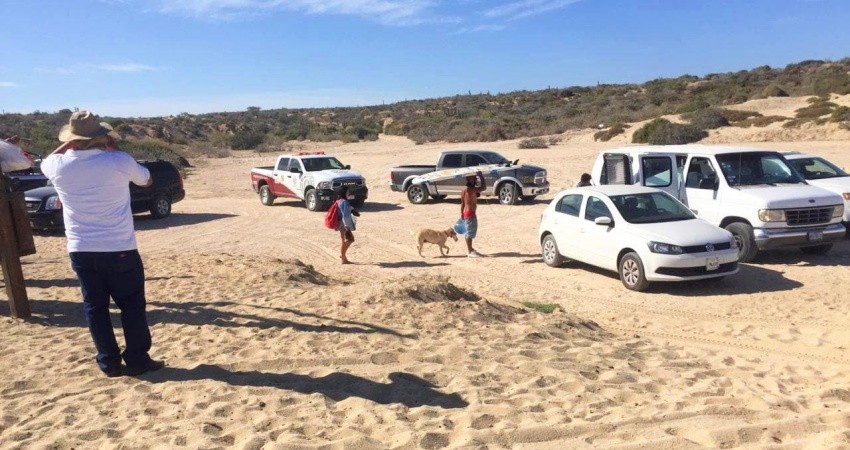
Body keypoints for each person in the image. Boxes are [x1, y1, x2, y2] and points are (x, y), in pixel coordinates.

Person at [39, 111, 164, 378]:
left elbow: (49, 157)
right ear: (102, 137)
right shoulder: (118, 161)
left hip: (81, 248)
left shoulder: (58, 165)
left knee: (95, 307)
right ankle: (137, 359)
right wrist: (114, 150)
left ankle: (109, 362)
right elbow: (147, 180)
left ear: (72, 140)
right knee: (131, 305)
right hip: (120, 246)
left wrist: (70, 143)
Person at [460, 171, 486, 257]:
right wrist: (481, 176)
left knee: (469, 231)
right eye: (473, 178)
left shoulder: (464, 190)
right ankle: (470, 251)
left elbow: (462, 203)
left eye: (475, 178)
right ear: (468, 179)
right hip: (470, 213)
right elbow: (484, 187)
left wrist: (461, 213)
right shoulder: (471, 189)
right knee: (470, 232)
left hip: (467, 213)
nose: (474, 179)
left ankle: (470, 249)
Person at [336, 185, 359, 264]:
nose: (349, 193)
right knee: (350, 239)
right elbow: (345, 215)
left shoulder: (339, 201)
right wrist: (347, 227)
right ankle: (343, 257)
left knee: (343, 240)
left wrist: (352, 210)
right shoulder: (344, 202)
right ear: (345, 192)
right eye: (348, 191)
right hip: (343, 224)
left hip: (339, 223)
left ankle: (343, 256)